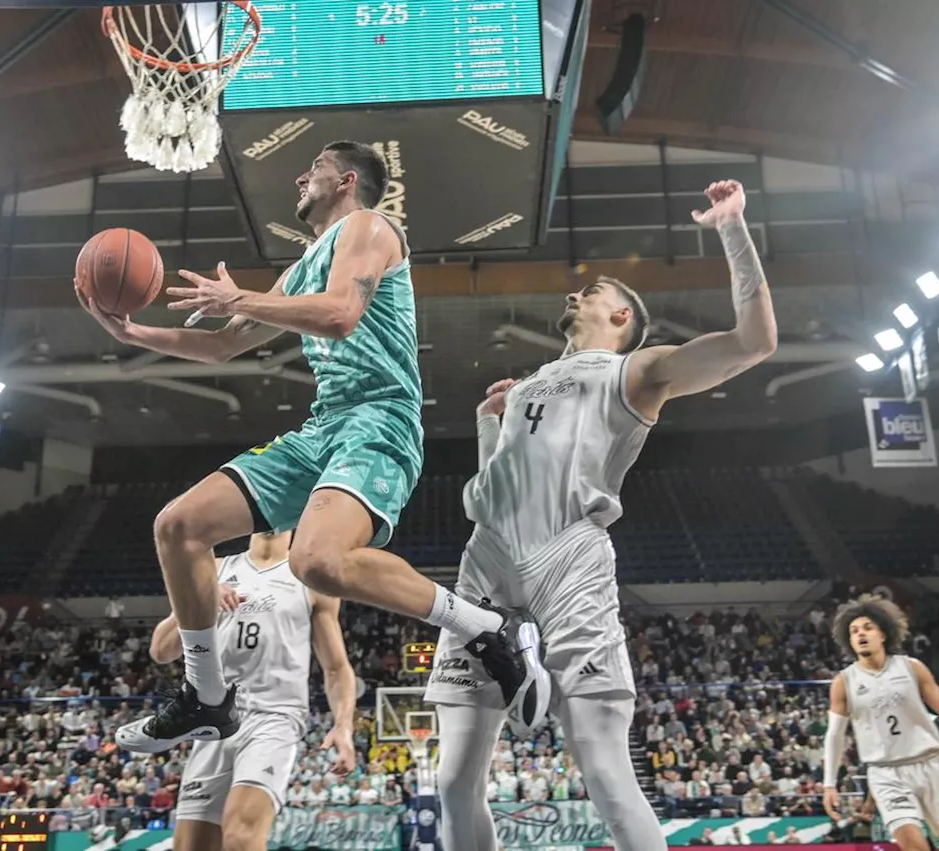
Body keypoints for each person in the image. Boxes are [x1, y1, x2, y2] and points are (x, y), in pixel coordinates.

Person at [80, 140, 547, 751]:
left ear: (347, 180)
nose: (302, 177)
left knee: (315, 562)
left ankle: (489, 628)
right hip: (323, 427)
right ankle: (207, 696)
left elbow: (340, 314)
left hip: (379, 419)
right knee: (179, 526)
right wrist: (131, 329)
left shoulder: (371, 226)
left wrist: (239, 297)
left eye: (316, 169)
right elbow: (224, 346)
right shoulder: (302, 266)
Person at [423, 180, 779, 851]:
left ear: (622, 317)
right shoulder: (525, 384)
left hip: (569, 559)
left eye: (595, 290)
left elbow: (755, 339)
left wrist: (731, 227)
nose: (575, 294)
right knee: (450, 781)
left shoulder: (636, 371)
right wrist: (486, 426)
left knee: (607, 773)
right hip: (489, 560)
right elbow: (493, 483)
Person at [140, 532, 356, 851]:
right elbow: (161, 649)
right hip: (214, 720)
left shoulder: (310, 578)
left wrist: (344, 726)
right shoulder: (213, 569)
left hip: (274, 717)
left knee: (241, 837)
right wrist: (202, 599)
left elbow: (337, 667)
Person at [822, 594, 939, 851]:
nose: (860, 634)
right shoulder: (844, 682)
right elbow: (835, 735)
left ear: (883, 634)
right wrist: (829, 784)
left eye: (867, 628)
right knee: (912, 844)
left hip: (929, 764)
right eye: (854, 631)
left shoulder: (911, 668)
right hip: (885, 772)